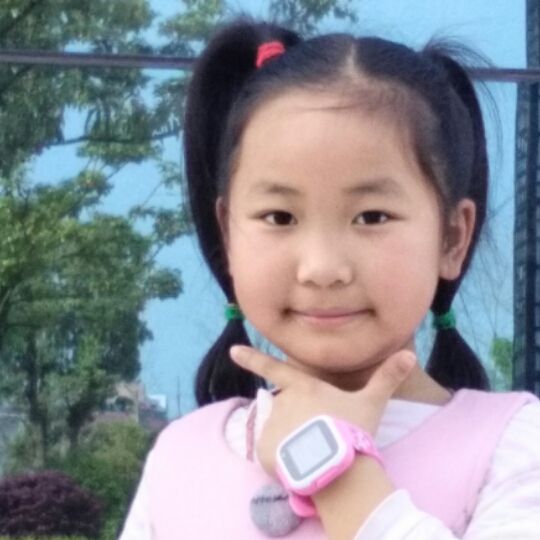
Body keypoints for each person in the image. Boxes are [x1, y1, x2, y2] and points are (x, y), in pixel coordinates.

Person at [119, 18, 540, 539]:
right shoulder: (181, 456)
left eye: (372, 217)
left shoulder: (513, 443)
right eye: (279, 217)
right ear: (227, 234)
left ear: (452, 237)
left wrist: (334, 469)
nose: (322, 269)